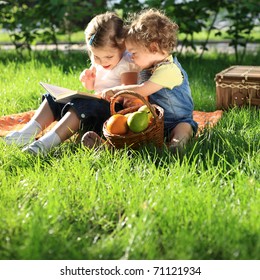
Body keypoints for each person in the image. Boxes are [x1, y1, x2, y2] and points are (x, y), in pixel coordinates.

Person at [4, 12, 138, 155]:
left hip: (113, 112)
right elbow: (94, 87)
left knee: (82, 106)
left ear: (122, 47)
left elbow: (128, 93)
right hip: (95, 106)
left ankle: (46, 144)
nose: (101, 61)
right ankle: (27, 132)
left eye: (108, 57)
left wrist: (110, 95)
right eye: (95, 56)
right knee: (54, 97)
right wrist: (89, 82)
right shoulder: (100, 62)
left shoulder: (126, 64)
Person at [85, 8, 198, 151]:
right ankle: (112, 147)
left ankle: (176, 146)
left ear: (153, 47)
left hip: (177, 121)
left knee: (184, 128)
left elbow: (141, 90)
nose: (131, 57)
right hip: (154, 121)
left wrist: (115, 91)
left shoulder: (169, 70)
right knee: (131, 127)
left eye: (133, 53)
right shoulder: (149, 66)